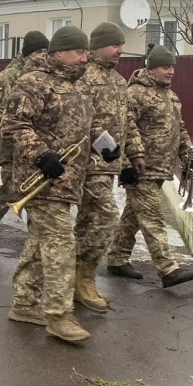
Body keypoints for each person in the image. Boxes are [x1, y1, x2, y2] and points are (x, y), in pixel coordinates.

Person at [0, 26, 115, 344]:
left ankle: (24, 304)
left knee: (40, 244)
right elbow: (13, 123)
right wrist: (42, 155)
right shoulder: (33, 81)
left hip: (70, 180)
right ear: (59, 52)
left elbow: (85, 128)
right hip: (43, 180)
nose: (84, 58)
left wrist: (105, 145)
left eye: (85, 53)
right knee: (62, 244)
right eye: (79, 52)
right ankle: (58, 315)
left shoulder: (79, 86)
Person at [106, 45, 193, 288]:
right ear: (151, 67)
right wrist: (127, 162)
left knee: (133, 216)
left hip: (160, 168)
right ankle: (167, 269)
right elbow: (125, 129)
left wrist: (187, 150)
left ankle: (116, 257)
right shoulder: (135, 93)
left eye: (172, 67)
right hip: (140, 168)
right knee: (152, 217)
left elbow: (180, 128)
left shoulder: (170, 96)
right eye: (164, 67)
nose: (170, 71)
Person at [73, 23, 145, 311]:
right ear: (97, 45)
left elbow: (124, 124)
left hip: (110, 164)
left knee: (87, 223)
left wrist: (128, 158)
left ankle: (75, 280)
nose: (120, 49)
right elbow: (83, 122)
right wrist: (107, 150)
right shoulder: (84, 76)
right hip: (89, 164)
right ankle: (85, 279)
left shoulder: (117, 80)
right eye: (115, 44)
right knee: (106, 218)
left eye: (121, 44)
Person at [0, 30, 49, 251]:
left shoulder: (45, 77)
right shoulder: (8, 77)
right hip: (13, 148)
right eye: (38, 51)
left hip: (39, 149)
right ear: (27, 53)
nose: (42, 55)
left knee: (39, 192)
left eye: (46, 51)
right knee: (9, 190)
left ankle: (35, 241)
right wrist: (23, 134)